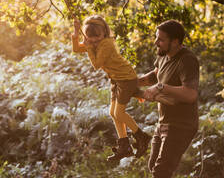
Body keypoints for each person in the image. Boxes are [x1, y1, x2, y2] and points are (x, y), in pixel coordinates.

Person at [71, 15, 151, 161]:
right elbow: (76, 49)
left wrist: (88, 45)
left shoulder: (106, 44)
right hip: (116, 80)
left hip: (126, 78)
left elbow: (96, 64)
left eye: (97, 36)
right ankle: (124, 146)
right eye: (90, 36)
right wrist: (77, 32)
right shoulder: (95, 43)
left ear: (104, 33)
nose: (94, 39)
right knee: (113, 113)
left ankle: (142, 137)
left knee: (119, 113)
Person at [138, 20, 200, 178]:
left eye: (161, 39)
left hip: (181, 124)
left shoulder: (187, 60)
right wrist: (134, 82)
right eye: (156, 38)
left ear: (175, 41)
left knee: (161, 171)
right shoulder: (164, 55)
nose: (156, 42)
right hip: (163, 122)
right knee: (153, 166)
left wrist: (161, 88)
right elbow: (155, 74)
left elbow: (190, 94)